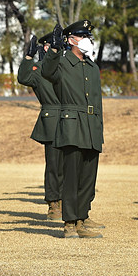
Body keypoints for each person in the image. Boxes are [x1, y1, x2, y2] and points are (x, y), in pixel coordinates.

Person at [42, 20, 104, 239]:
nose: (87, 40)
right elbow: (47, 72)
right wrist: (55, 50)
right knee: (71, 176)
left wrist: (99, 130)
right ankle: (69, 223)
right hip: (71, 125)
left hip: (91, 126)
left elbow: (97, 102)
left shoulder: (91, 66)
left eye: (88, 36)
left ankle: (81, 218)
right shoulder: (61, 62)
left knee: (88, 177)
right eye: (82, 36)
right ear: (71, 40)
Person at [17, 32, 63, 220]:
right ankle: (54, 203)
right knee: (54, 165)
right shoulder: (38, 69)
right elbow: (23, 77)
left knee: (72, 165)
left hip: (72, 119)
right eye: (47, 45)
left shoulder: (65, 66)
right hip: (52, 120)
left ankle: (72, 204)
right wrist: (28, 57)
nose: (50, 48)